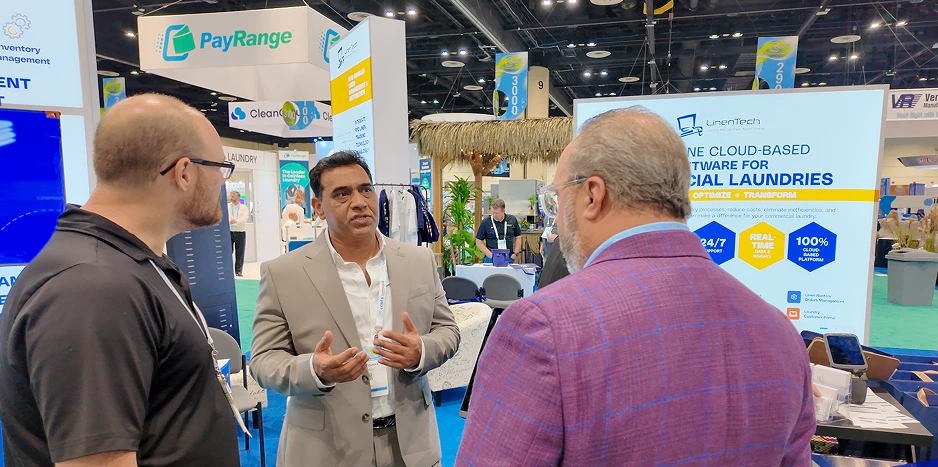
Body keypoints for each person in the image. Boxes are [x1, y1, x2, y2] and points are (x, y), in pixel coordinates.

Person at [457, 107, 815, 466]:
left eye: (558, 198)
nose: (558, 217)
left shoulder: (544, 327)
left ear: (593, 195)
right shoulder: (780, 333)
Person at [0, 94, 240, 466]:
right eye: (221, 168)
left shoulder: (128, 264)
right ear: (184, 173)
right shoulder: (93, 287)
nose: (222, 183)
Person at [251, 151, 460, 467]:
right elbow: (264, 360)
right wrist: (314, 370)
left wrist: (421, 351)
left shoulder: (418, 261)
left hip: (410, 444)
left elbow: (448, 330)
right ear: (318, 207)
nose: (360, 202)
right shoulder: (283, 273)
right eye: (342, 194)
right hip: (326, 449)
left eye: (366, 190)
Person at [475, 198, 522, 263]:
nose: (494, 215)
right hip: (491, 258)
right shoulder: (486, 222)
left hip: (508, 257)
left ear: (504, 211)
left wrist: (515, 253)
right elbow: (478, 241)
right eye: (493, 213)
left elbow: (518, 236)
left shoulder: (512, 219)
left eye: (497, 213)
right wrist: (490, 255)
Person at [228, 189, 249, 276]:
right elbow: (225, 216)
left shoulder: (244, 208)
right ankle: (228, 270)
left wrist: (236, 221)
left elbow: (245, 219)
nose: (231, 197)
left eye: (233, 195)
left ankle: (238, 271)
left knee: (240, 252)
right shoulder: (228, 207)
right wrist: (230, 221)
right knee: (228, 252)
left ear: (238, 197)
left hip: (240, 232)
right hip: (229, 232)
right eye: (231, 195)